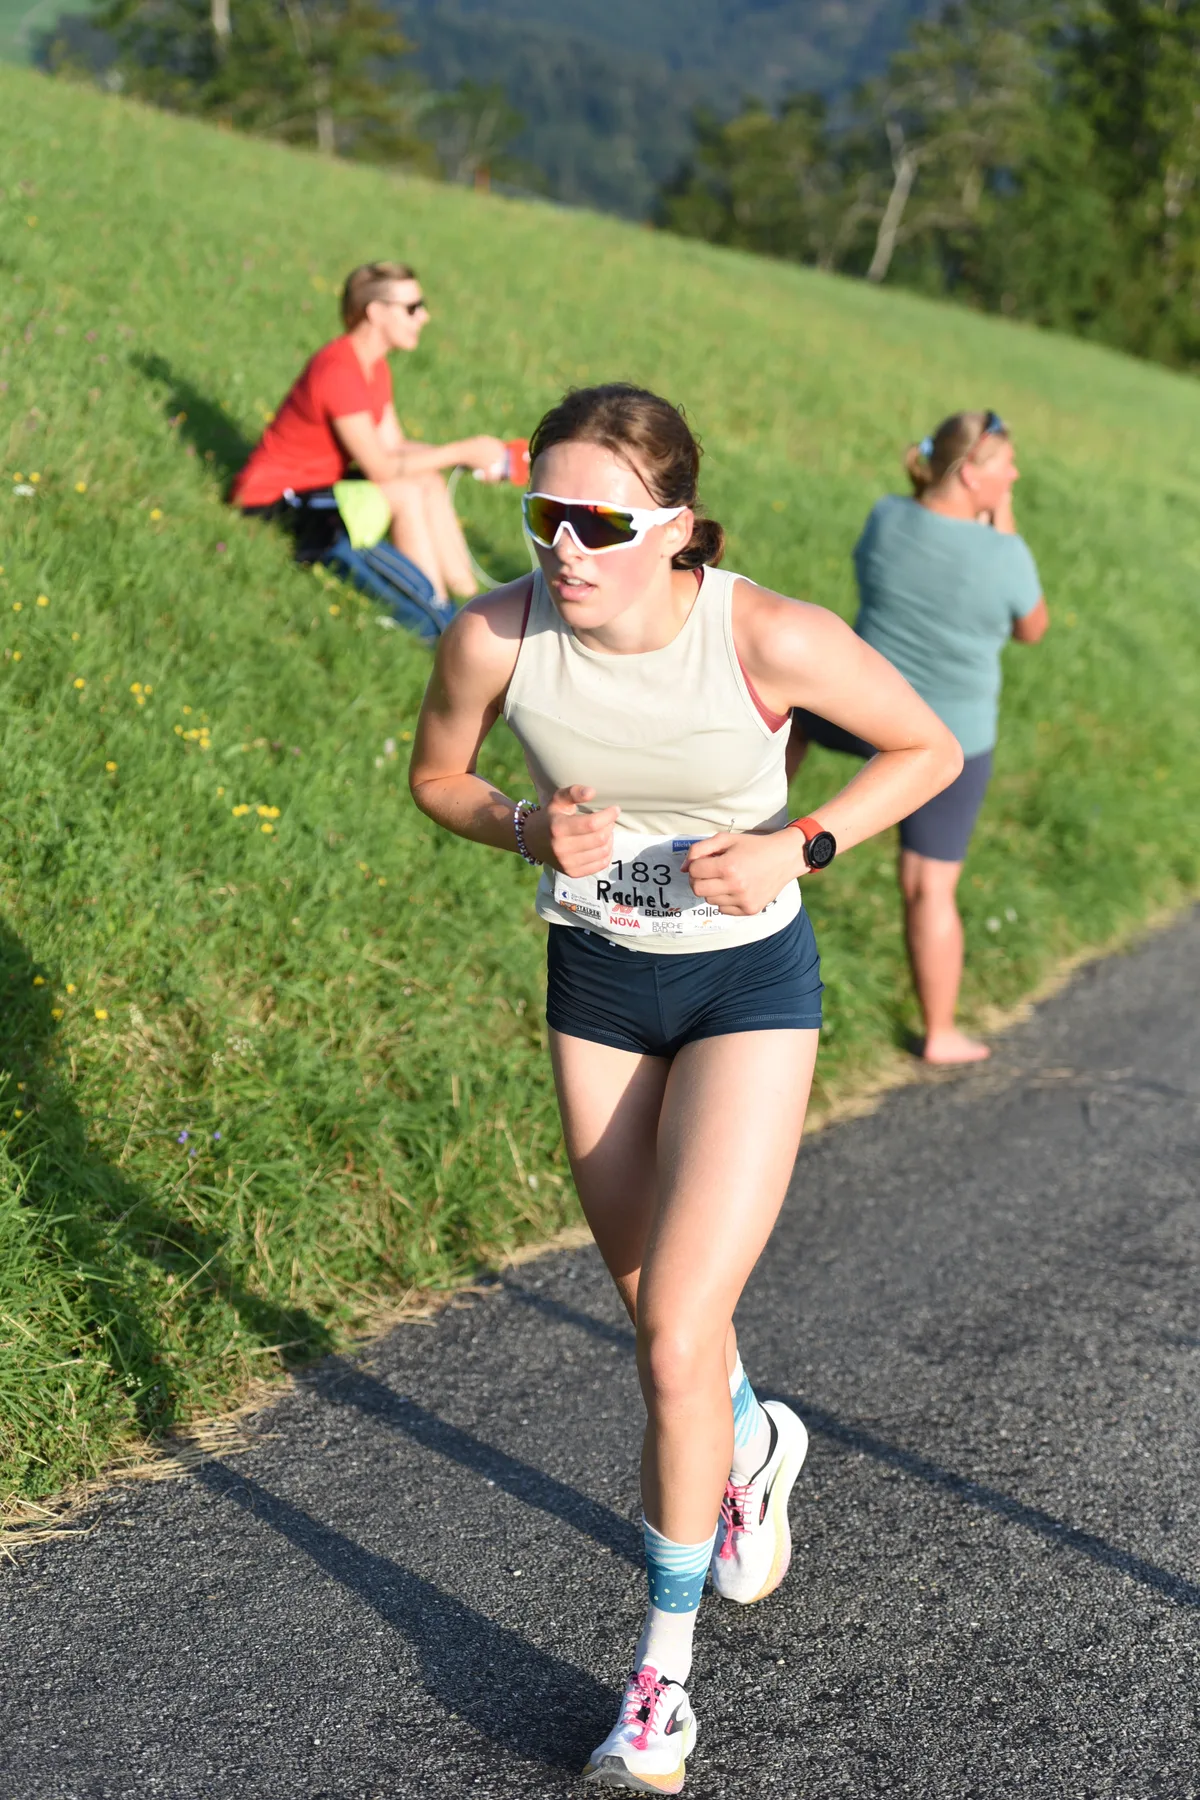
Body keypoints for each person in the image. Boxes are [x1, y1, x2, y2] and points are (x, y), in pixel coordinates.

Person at [409, 383, 961, 1792]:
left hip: (744, 992)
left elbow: (927, 749)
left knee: (671, 1342)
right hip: (597, 988)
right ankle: (755, 1436)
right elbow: (437, 777)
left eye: (600, 523)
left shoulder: (762, 633)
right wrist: (528, 826)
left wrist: (803, 845)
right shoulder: (496, 634)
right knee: (659, 1307)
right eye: (545, 516)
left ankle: (658, 1684)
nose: (565, 548)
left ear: (678, 531)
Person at [791, 409, 1049, 1065]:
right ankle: (939, 1033)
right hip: (946, 738)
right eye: (1005, 466)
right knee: (928, 886)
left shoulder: (886, 516)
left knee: (795, 712)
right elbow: (1032, 630)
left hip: (861, 706)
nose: (1015, 474)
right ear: (972, 476)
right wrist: (1004, 520)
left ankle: (758, 818)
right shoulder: (1006, 554)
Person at [230, 260, 510, 632]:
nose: (424, 317)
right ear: (376, 312)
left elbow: (395, 446)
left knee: (427, 481)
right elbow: (381, 467)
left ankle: (471, 600)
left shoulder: (375, 367)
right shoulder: (339, 371)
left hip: (321, 488)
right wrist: (460, 449)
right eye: (413, 308)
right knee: (405, 493)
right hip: (277, 499)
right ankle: (438, 615)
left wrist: (469, 460)